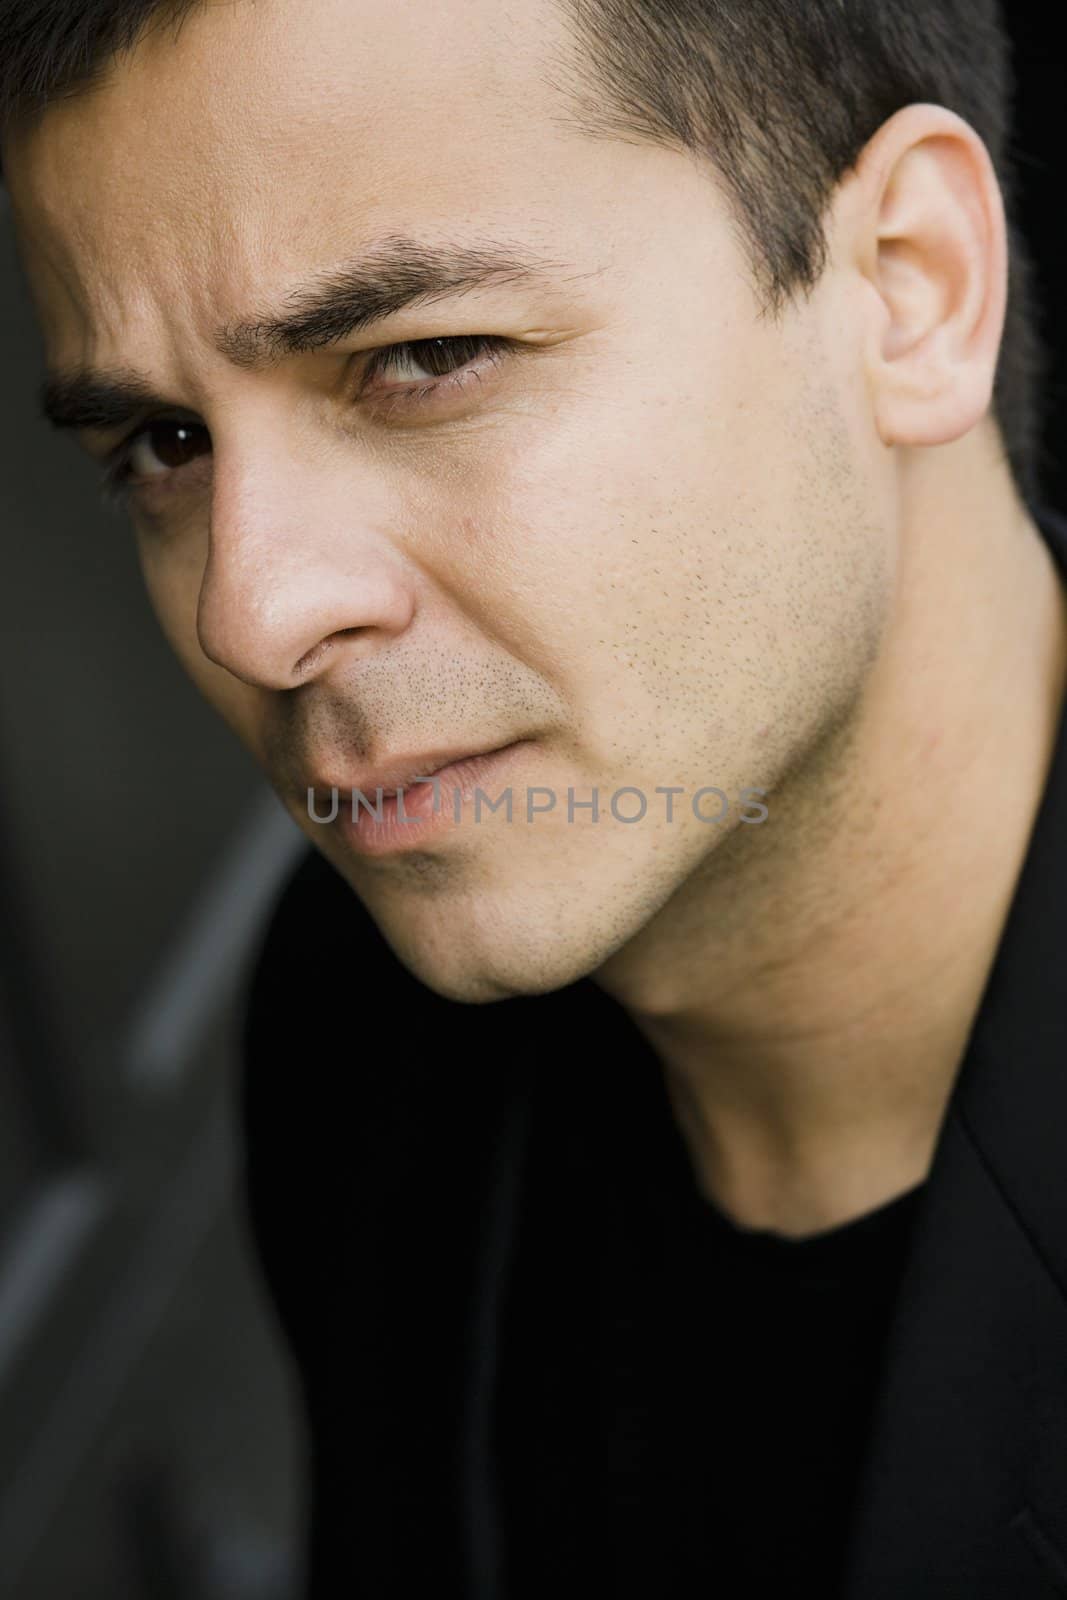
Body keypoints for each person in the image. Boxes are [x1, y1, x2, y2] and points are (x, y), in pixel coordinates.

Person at [2, 0, 1066, 1593]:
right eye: (164, 445)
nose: (253, 612)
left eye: (425, 358)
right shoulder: (351, 1020)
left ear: (911, 289)